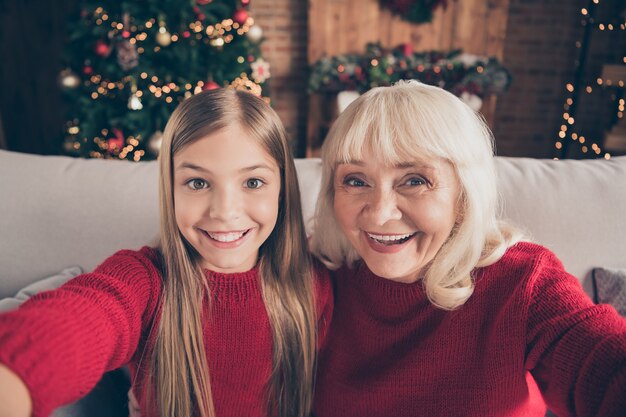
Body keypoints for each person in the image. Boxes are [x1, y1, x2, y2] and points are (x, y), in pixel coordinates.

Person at [0, 88, 332, 417]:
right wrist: (14, 376)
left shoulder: (315, 280)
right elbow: (82, 318)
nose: (224, 211)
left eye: (253, 182)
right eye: (198, 183)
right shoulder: (144, 279)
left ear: (282, 189)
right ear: (170, 189)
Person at [310, 80, 626, 417]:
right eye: (356, 180)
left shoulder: (523, 281)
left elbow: (603, 364)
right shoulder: (316, 275)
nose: (379, 212)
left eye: (415, 180)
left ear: (464, 194)